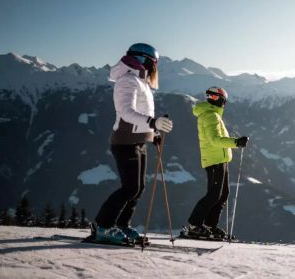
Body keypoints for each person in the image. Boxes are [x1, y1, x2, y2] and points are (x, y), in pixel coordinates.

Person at [94, 43, 173, 244]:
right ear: (144, 60)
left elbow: (143, 113)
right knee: (129, 188)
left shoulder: (141, 82)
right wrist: (153, 123)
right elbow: (126, 113)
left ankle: (121, 224)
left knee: (138, 188)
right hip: (124, 141)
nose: (155, 68)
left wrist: (151, 133)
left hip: (139, 140)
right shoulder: (127, 81)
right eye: (154, 63)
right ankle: (102, 226)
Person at [182, 87, 248, 240]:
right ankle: (194, 225)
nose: (212, 98)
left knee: (222, 195)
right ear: (222, 101)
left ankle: (209, 225)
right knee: (214, 195)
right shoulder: (210, 116)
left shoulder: (212, 115)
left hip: (220, 160)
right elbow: (215, 140)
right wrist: (236, 142)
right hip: (214, 160)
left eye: (212, 96)